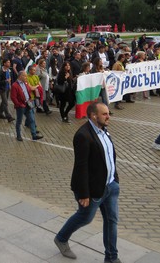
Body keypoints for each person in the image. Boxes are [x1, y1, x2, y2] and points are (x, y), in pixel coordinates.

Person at [54, 102, 120, 263]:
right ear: (93, 116)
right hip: (93, 189)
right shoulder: (83, 135)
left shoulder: (104, 131)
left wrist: (115, 180)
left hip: (110, 186)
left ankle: (111, 257)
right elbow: (81, 167)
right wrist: (84, 193)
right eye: (104, 114)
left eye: (108, 113)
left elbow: (109, 157)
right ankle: (61, 238)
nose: (108, 116)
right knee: (85, 218)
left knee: (112, 221)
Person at [10, 71, 44, 141]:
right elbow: (13, 97)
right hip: (21, 106)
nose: (26, 77)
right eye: (24, 76)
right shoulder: (15, 85)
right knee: (19, 121)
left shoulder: (25, 83)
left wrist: (30, 99)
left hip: (28, 104)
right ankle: (18, 135)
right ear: (20, 76)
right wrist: (18, 104)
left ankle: (34, 135)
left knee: (31, 119)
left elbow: (29, 90)